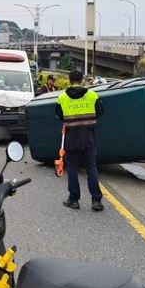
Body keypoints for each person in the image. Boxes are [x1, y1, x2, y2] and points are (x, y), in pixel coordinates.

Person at [55, 70, 104, 211]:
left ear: (69, 80)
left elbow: (59, 116)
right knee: (91, 167)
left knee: (72, 167)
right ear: (82, 80)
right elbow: (101, 112)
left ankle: (74, 199)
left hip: (72, 136)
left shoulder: (62, 98)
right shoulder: (92, 95)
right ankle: (96, 200)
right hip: (88, 135)